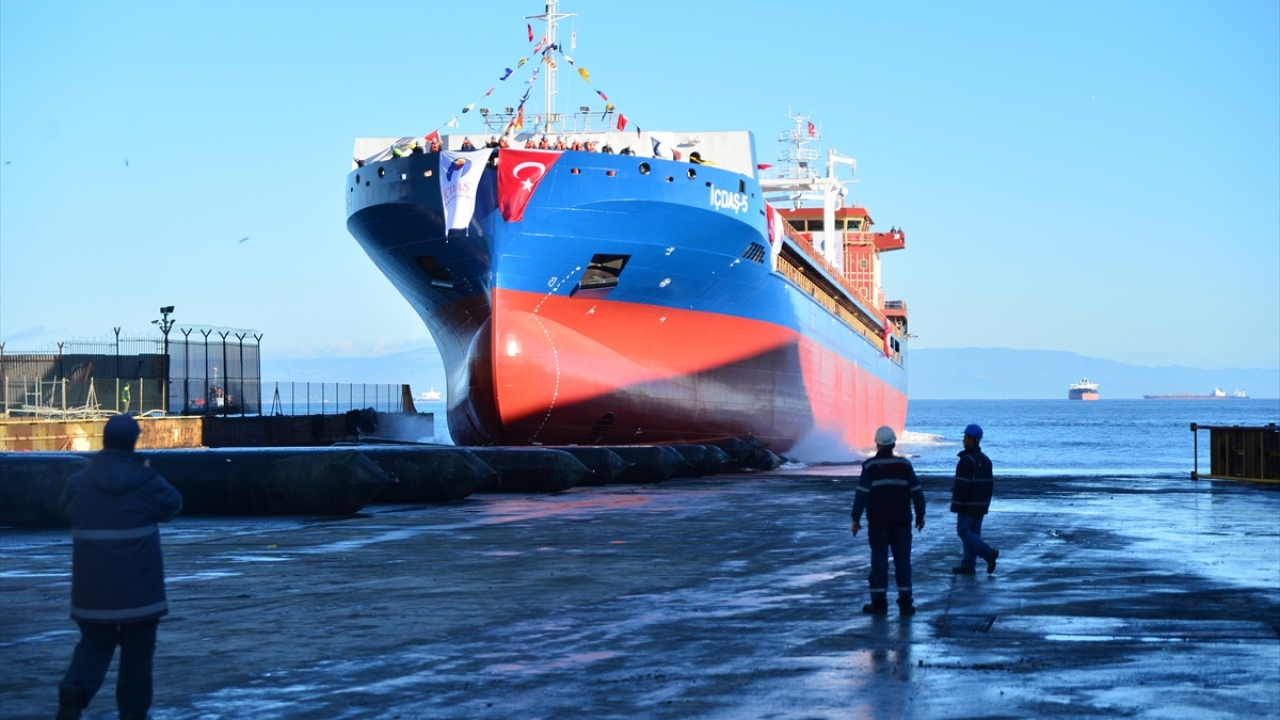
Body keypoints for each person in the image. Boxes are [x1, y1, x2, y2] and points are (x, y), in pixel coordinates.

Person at [56, 414, 183, 720]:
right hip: (139, 590)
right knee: (137, 654)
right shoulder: (146, 480)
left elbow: (66, 509)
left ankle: (75, 689)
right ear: (134, 441)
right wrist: (147, 473)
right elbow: (173, 505)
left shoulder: (79, 482)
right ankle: (133, 712)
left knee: (94, 645)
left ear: (104, 440)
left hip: (92, 589)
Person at [851, 426, 925, 615]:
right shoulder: (905, 466)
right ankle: (906, 604)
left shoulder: (869, 467)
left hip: (878, 523)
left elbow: (862, 495)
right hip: (902, 522)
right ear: (893, 443)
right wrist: (920, 515)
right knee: (903, 562)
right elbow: (917, 493)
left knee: (879, 562)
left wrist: (855, 518)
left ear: (877, 444)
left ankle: (879, 604)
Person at [950, 423, 998, 575]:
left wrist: (956, 504)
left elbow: (962, 485)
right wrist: (986, 504)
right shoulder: (986, 460)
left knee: (964, 531)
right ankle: (969, 565)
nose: (963, 440)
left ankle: (988, 553)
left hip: (968, 504)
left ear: (972, 440)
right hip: (981, 504)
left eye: (965, 437)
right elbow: (990, 485)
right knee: (973, 534)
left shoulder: (966, 460)